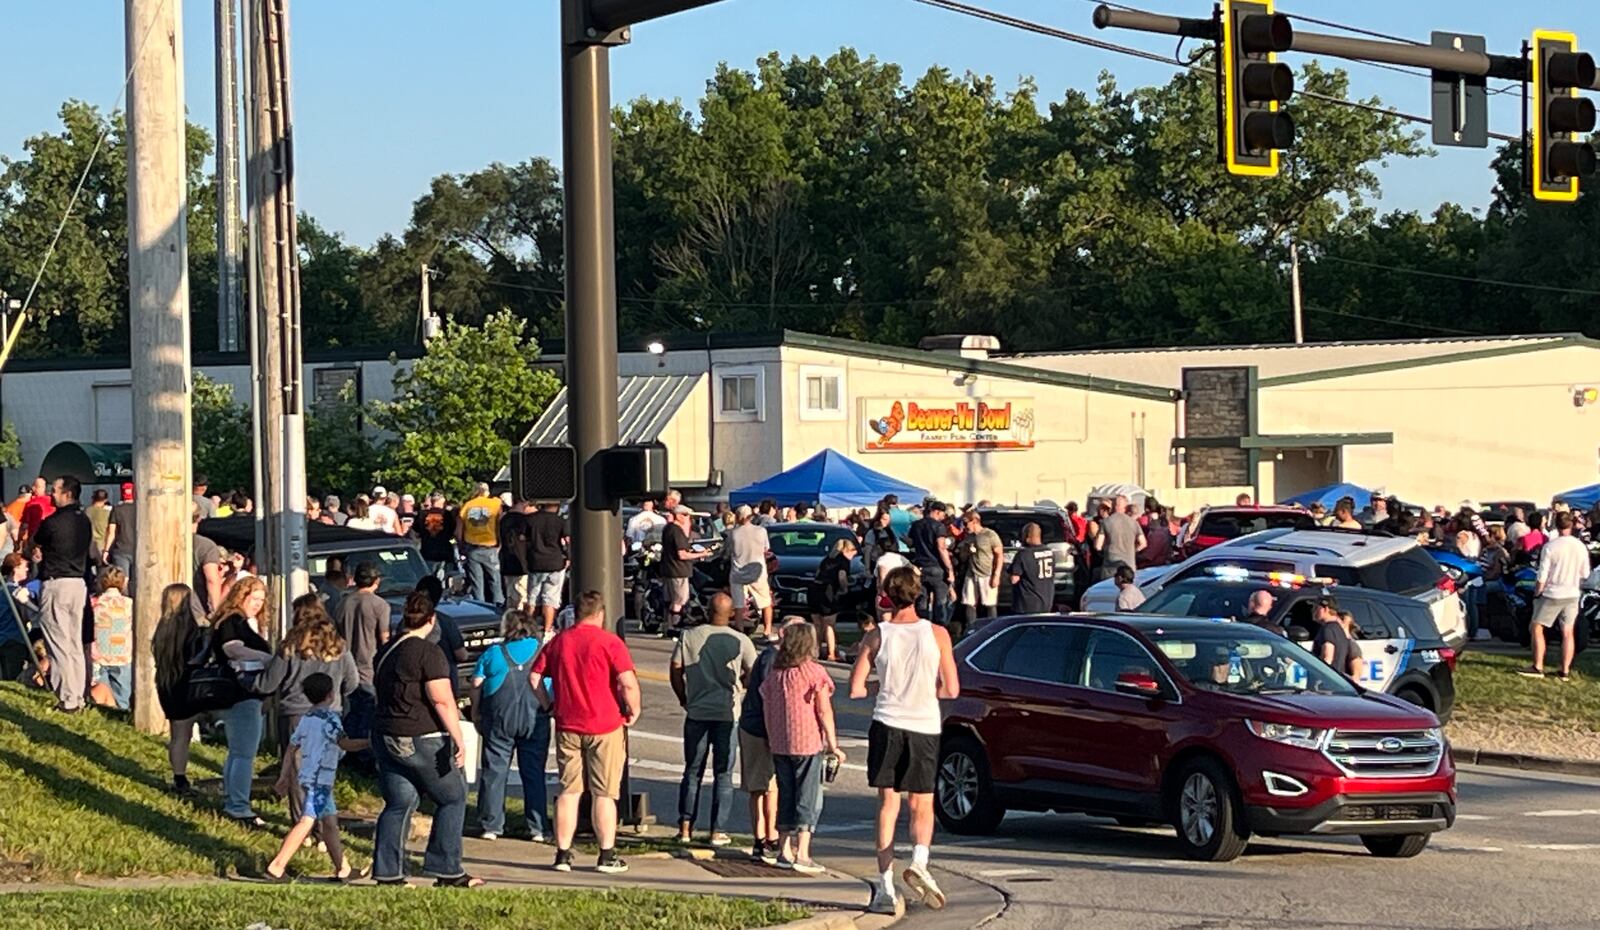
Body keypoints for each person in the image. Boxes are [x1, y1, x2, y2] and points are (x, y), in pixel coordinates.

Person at [849, 566, 959, 915]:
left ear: (887, 596)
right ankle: (920, 862)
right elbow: (952, 688)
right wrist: (930, 687)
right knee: (921, 804)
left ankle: (884, 885)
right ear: (919, 596)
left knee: (888, 805)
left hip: (887, 722)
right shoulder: (938, 634)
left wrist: (881, 685)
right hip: (924, 724)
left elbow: (854, 688)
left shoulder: (876, 635)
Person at [369, 592, 480, 887]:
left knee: (399, 801)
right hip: (421, 735)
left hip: (386, 734)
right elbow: (442, 700)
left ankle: (388, 872)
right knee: (453, 796)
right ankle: (447, 869)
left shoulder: (387, 651)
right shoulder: (428, 653)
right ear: (431, 621)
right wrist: (459, 739)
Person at [533, 590, 639, 875]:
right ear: (600, 614)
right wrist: (633, 709)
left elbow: (535, 677)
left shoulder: (560, 642)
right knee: (604, 793)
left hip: (568, 723)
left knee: (569, 791)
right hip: (605, 725)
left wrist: (549, 704)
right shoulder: (610, 643)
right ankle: (606, 855)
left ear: (576, 614)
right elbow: (627, 682)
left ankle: (563, 854)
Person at [259, 596, 359, 835]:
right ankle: (324, 829)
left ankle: (302, 827)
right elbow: (353, 682)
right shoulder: (339, 645)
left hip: (296, 714)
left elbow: (269, 683)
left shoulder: (290, 646)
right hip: (329, 715)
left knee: (297, 774)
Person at [669, 591, 756, 845]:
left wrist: (683, 697)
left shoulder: (689, 637)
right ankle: (717, 830)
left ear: (707, 611)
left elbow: (676, 670)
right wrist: (741, 685)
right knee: (723, 773)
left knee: (692, 771)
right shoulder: (741, 641)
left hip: (697, 711)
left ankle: (685, 827)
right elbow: (753, 672)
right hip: (727, 714)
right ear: (730, 614)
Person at [263, 672, 367, 882]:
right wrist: (370, 742)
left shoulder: (307, 718)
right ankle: (277, 865)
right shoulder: (331, 719)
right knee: (307, 821)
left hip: (308, 776)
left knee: (329, 823)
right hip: (321, 778)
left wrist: (284, 776)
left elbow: (292, 747)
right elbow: (344, 743)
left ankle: (342, 868)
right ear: (331, 694)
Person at [760, 621, 843, 874]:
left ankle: (784, 848)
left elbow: (766, 707)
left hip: (780, 743)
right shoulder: (814, 673)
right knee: (808, 796)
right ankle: (803, 852)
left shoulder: (776, 673)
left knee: (786, 794)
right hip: (807, 742)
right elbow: (823, 710)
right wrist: (833, 744)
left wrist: (771, 735)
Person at [473, 609, 552, 842]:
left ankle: (491, 824)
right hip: (534, 717)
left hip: (499, 719)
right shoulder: (542, 652)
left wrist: (476, 712)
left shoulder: (493, 653)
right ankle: (537, 827)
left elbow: (476, 684)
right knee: (534, 772)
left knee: (494, 771)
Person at [211, 576, 273, 824]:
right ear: (241, 595)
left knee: (237, 751)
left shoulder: (237, 621)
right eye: (254, 598)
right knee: (244, 752)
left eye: (261, 599)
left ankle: (232, 798)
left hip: (239, 694)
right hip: (241, 693)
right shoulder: (233, 621)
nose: (258, 604)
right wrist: (268, 658)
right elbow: (232, 648)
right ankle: (239, 806)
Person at [33, 476, 92, 713]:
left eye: (55, 491)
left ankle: (67, 699)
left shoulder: (53, 522)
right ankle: (78, 695)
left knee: (58, 643)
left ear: (67, 493)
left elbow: (35, 543)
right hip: (78, 584)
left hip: (56, 582)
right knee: (74, 643)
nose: (51, 494)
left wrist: (38, 555)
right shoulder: (84, 521)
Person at [739, 615, 789, 865]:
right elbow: (768, 698)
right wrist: (772, 733)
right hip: (758, 729)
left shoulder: (780, 658)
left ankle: (771, 836)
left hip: (770, 730)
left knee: (772, 787)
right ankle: (761, 839)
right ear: (782, 633)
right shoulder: (772, 658)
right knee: (760, 787)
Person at [152, 583, 207, 795]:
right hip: (188, 685)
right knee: (185, 734)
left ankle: (178, 776)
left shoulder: (162, 630)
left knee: (177, 735)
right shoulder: (192, 630)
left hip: (167, 684)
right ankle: (181, 780)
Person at [1524, 511, 1587, 681]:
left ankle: (1538, 666)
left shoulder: (1551, 546)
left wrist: (1537, 593)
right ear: (1571, 525)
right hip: (1572, 592)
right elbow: (1585, 572)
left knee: (1537, 627)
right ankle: (1565, 670)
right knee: (1568, 632)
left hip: (1553, 592)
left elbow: (1542, 574)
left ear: (1555, 526)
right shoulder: (1580, 546)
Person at [336, 561, 391, 747]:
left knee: (350, 711)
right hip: (369, 666)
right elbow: (384, 637)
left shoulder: (343, 603)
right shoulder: (380, 605)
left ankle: (348, 750)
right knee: (368, 711)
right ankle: (363, 753)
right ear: (376, 581)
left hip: (344, 666)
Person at [725, 505, 774, 639]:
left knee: (739, 604)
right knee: (765, 601)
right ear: (751, 517)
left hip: (738, 572)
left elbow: (728, 552)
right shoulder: (761, 531)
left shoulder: (733, 533)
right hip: (757, 571)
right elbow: (766, 550)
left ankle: (740, 630)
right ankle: (767, 630)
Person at [661, 505, 712, 632]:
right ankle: (675, 626)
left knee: (670, 599)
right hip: (679, 570)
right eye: (686, 515)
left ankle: (667, 625)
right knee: (680, 600)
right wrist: (702, 554)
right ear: (678, 516)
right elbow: (682, 554)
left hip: (668, 569)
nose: (688, 518)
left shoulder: (667, 529)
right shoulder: (677, 531)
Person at [91, 566, 133, 709]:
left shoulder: (94, 603)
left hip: (98, 654)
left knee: (99, 692)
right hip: (122, 655)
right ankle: (122, 713)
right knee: (122, 694)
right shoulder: (130, 604)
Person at [525, 501, 569, 638]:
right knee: (551, 598)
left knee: (532, 598)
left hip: (536, 563)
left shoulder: (531, 520)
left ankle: (528, 629)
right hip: (555, 563)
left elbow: (524, 539)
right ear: (556, 506)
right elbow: (568, 540)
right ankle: (547, 630)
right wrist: (568, 557)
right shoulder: (560, 521)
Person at [907, 501, 954, 626]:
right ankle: (940, 629)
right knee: (940, 602)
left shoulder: (916, 525)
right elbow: (941, 548)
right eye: (943, 515)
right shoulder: (939, 527)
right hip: (936, 567)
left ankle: (921, 627)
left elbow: (910, 543)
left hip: (920, 567)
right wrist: (949, 569)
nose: (943, 518)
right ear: (937, 512)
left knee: (922, 600)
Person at [957, 511, 1003, 637]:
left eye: (966, 523)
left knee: (989, 603)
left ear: (975, 521)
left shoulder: (989, 535)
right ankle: (971, 629)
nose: (965, 526)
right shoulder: (969, 537)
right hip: (971, 573)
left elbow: (999, 554)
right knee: (969, 602)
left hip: (987, 573)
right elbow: (962, 557)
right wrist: (966, 551)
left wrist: (996, 575)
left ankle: (992, 630)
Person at [811, 537, 857, 662]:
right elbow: (841, 576)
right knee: (829, 624)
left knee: (817, 624)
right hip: (829, 592)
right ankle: (831, 653)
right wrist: (844, 588)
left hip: (815, 590)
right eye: (853, 550)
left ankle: (816, 650)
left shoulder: (827, 559)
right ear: (847, 550)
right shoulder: (843, 561)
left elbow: (818, 573)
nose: (855, 553)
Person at [458, 483, 504, 606]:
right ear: (487, 492)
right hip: (490, 546)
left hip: (472, 548)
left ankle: (480, 608)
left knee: (476, 584)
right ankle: (498, 607)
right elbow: (499, 524)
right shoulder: (495, 503)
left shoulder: (467, 506)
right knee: (495, 581)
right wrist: (500, 543)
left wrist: (461, 546)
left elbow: (458, 531)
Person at [0, 553, 38, 680]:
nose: (27, 569)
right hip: (14, 640)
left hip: (4, 638)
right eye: (24, 566)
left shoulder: (2, 590)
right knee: (12, 677)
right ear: (15, 568)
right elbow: (30, 613)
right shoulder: (15, 592)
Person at [1094, 495, 1145, 582]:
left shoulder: (1105, 522)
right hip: (1129, 566)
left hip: (1110, 566)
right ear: (1125, 507)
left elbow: (1098, 546)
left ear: (1113, 506)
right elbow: (1143, 543)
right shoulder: (1134, 523)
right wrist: (1133, 550)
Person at [1007, 523, 1055, 615]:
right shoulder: (1049, 552)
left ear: (1027, 537)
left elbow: (1014, 579)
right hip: (1046, 601)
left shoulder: (1024, 554)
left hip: (1027, 604)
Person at [498, 498, 533, 613]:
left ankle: (510, 616)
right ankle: (520, 618)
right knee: (522, 594)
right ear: (525, 503)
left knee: (510, 594)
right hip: (521, 561)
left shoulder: (503, 519)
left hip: (506, 560)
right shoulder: (524, 520)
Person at [193, 506, 225, 616]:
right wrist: (216, 611)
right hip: (196, 609)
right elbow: (212, 579)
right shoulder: (206, 546)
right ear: (199, 519)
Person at [416, 493, 458, 576]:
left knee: (429, 578)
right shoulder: (447, 515)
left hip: (427, 551)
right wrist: (454, 543)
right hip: (445, 552)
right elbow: (453, 533)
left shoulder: (422, 514)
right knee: (446, 579)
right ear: (442, 502)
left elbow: (417, 532)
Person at [1313, 597, 1352, 679]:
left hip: (1325, 683)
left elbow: (1327, 658)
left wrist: (1319, 679)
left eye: (1316, 608)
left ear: (1326, 609)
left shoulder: (1327, 629)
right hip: (1337, 679)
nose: (1313, 611)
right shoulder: (1339, 629)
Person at [103, 485, 136, 578]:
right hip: (138, 549)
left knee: (122, 579)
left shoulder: (117, 509)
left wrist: (106, 550)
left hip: (121, 549)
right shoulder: (140, 509)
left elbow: (111, 532)